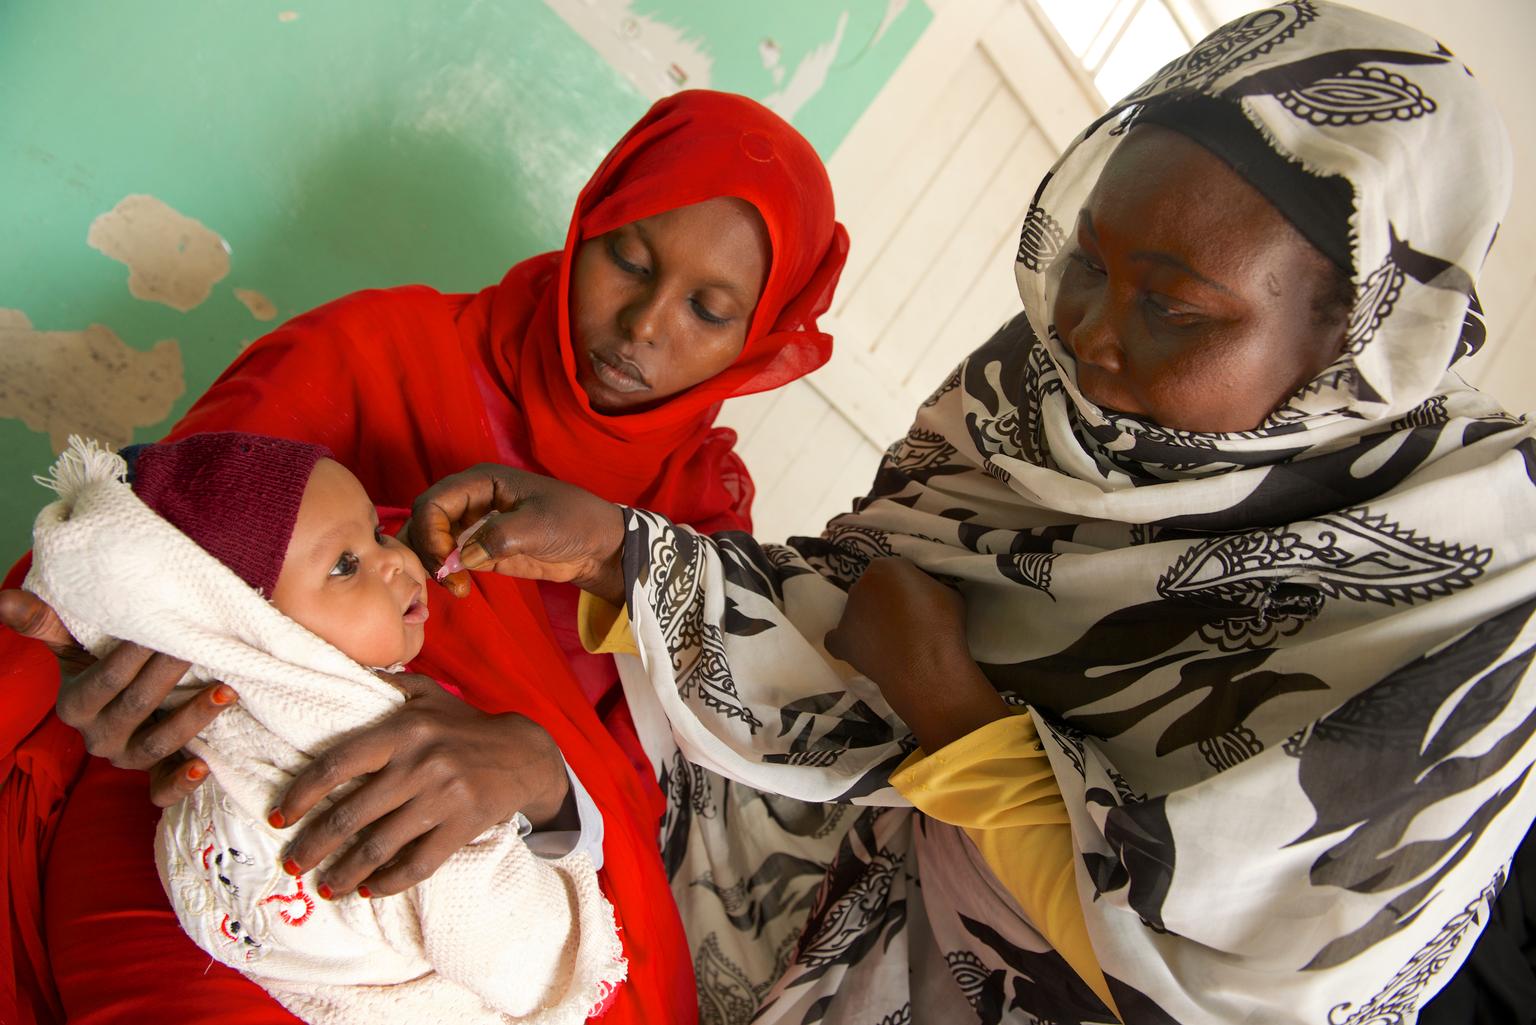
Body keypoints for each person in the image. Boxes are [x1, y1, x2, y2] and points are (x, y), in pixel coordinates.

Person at [401, 4, 1536, 1022]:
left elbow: (1241, 980)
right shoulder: (1043, 385)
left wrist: (951, 703)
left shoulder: (1477, 583)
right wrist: (616, 548)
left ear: (1360, 334)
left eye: (1176, 309)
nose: (1089, 331)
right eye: (1088, 259)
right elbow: (850, 603)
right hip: (788, 921)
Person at [0, 88, 847, 1024]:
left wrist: (535, 769)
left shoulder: (692, 538)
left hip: (494, 889)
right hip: (232, 819)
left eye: (709, 308)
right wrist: (117, 664)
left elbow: (666, 802)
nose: (646, 323)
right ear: (587, 222)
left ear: (760, 343)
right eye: (628, 258)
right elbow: (142, 556)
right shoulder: (372, 351)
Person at [26, 431, 623, 1024]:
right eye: (345, 566)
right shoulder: (371, 773)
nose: (397, 559)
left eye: (377, 533)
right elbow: (530, 966)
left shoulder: (210, 778)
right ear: (251, 633)